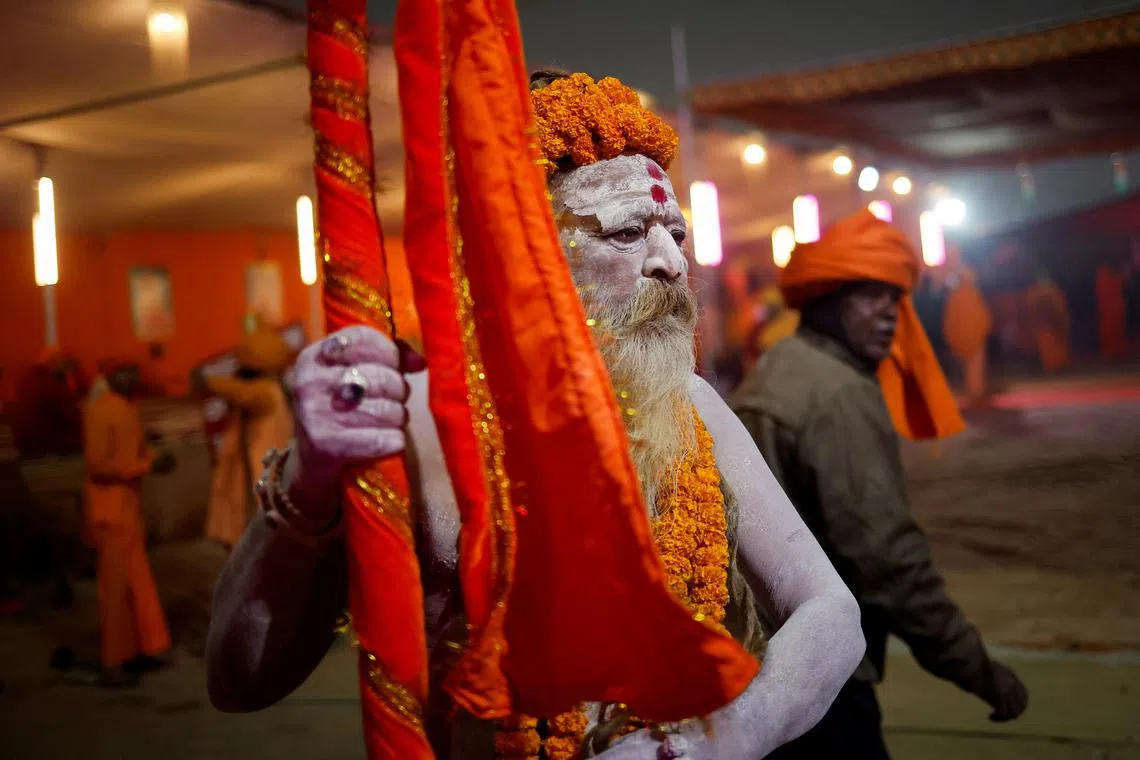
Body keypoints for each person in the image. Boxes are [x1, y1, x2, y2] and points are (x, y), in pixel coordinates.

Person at [206, 71, 865, 758]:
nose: (672, 262)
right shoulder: (412, 422)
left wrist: (718, 742)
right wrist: (310, 481)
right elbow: (239, 680)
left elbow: (831, 614)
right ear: (522, 253)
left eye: (674, 231)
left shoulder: (690, 407)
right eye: (627, 233)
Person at [731, 211, 1029, 759]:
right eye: (868, 296)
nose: (889, 315)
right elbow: (888, 560)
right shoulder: (837, 395)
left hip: (757, 655)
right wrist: (977, 669)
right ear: (824, 298)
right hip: (818, 669)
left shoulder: (781, 367)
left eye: (894, 299)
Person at [83, 361, 175, 687]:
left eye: (132, 373)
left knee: (138, 582)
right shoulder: (99, 410)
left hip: (127, 510)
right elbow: (98, 465)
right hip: (109, 512)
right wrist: (145, 464)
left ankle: (147, 647)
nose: (130, 378)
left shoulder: (125, 408)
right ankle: (114, 661)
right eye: (122, 374)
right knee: (116, 590)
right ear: (109, 379)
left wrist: (152, 456)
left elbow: (129, 451)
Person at [197, 320, 294, 549]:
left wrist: (207, 381)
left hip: (263, 477)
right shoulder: (274, 389)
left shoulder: (265, 391)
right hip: (259, 475)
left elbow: (241, 393)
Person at [941, 249, 993, 404]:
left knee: (975, 362)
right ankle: (974, 390)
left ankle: (976, 390)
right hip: (965, 331)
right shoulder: (957, 291)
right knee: (971, 362)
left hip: (973, 330)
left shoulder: (968, 291)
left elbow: (979, 312)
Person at [1024, 272, 1071, 373]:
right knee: (1049, 347)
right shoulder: (1050, 291)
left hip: (1050, 324)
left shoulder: (1037, 291)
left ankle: (1056, 366)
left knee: (1052, 347)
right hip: (1045, 324)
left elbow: (1060, 308)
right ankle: (1054, 367)